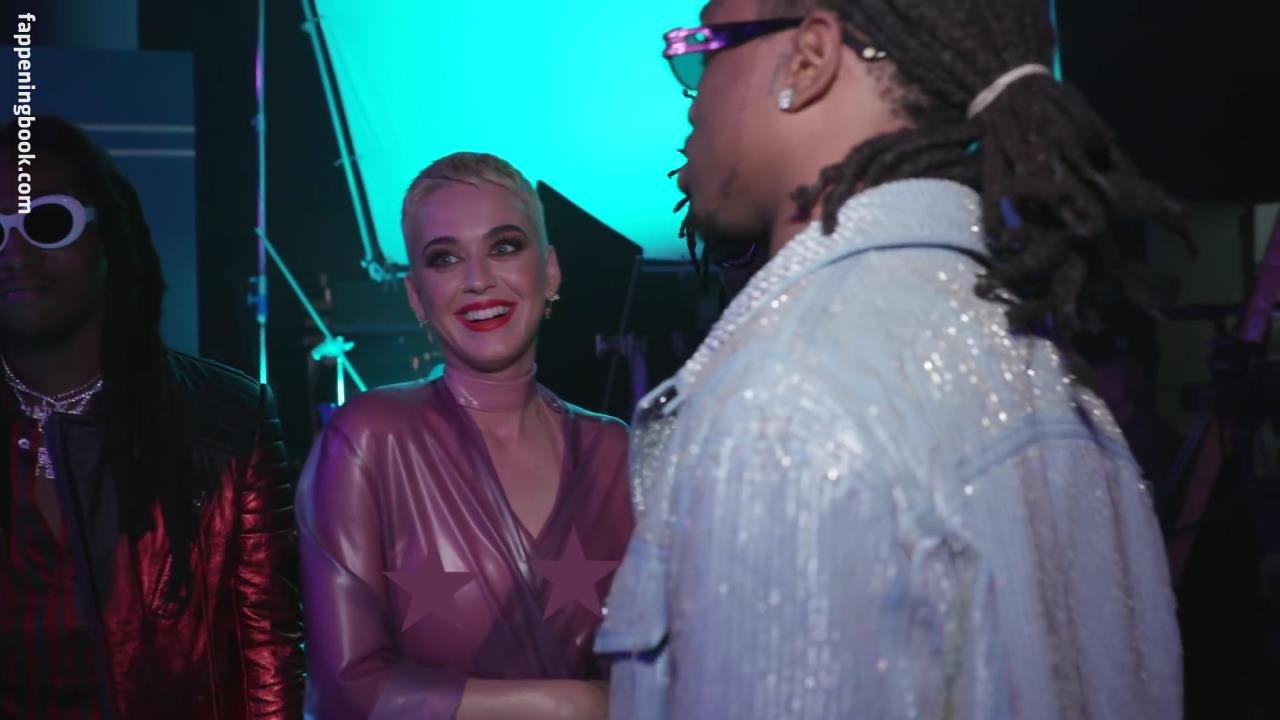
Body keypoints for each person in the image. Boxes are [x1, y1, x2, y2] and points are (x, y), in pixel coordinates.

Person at [596, 1, 1182, 718]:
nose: (693, 96)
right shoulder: (1057, 381)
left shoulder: (788, 398)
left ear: (808, 58)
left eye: (705, 49)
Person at [297, 152, 633, 719]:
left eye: (504, 247)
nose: (478, 280)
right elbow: (345, 691)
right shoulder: (368, 439)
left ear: (550, 270)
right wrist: (569, 705)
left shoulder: (613, 451)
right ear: (415, 295)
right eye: (445, 258)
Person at [0, 116, 304, 717]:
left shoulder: (229, 417)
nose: (15, 253)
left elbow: (265, 656)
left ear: (110, 237)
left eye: (48, 221)